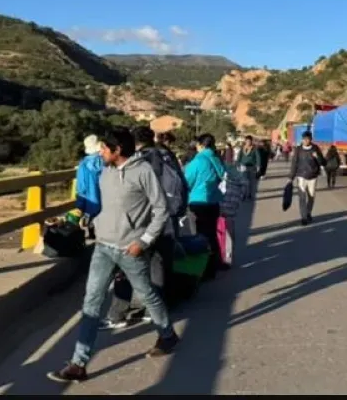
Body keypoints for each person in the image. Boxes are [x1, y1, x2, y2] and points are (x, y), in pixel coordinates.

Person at [48, 129, 179, 383]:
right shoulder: (105, 171)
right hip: (103, 247)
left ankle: (167, 335)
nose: (100, 152)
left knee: (147, 294)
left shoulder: (143, 172)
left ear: (117, 150)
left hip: (130, 249)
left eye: (104, 148)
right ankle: (78, 364)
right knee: (91, 302)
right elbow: (98, 202)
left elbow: (162, 209)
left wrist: (144, 241)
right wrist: (77, 218)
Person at [97, 126, 187, 330]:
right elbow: (181, 183)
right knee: (159, 265)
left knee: (124, 267)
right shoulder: (167, 155)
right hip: (167, 220)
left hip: (143, 223)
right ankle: (155, 310)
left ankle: (117, 314)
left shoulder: (140, 161)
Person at [183, 133, 226, 280]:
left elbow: (186, 182)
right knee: (212, 235)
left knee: (200, 237)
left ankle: (204, 269)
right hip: (213, 202)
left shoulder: (198, 161)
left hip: (198, 203)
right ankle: (213, 266)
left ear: (200, 145)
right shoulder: (216, 158)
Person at [289, 131, 325, 225]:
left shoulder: (315, 148)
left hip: (312, 177)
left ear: (311, 139)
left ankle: (308, 212)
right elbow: (294, 163)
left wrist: (317, 157)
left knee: (311, 197)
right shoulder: (298, 149)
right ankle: (304, 217)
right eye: (304, 139)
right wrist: (291, 176)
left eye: (307, 139)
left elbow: (323, 162)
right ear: (302, 139)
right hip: (301, 176)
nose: (306, 141)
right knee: (302, 197)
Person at [75, 135, 104, 239]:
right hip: (104, 195)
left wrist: (80, 199)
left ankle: (91, 233)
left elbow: (81, 186)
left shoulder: (83, 164)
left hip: (90, 196)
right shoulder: (105, 161)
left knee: (90, 213)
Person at [236, 136, 260, 200]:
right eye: (247, 141)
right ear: (245, 141)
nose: (248, 142)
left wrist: (258, 166)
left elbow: (258, 157)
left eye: (249, 141)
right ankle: (243, 195)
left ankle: (250, 194)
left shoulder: (254, 149)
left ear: (251, 141)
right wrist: (237, 165)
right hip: (243, 167)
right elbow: (239, 157)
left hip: (252, 167)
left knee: (251, 182)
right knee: (244, 181)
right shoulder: (242, 148)